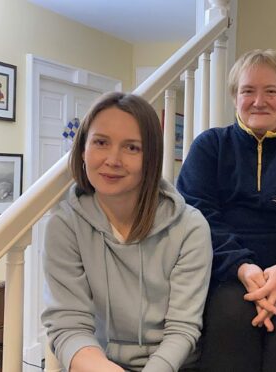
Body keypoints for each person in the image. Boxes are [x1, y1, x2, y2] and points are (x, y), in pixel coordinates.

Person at [177, 49, 276, 371]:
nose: (258, 101)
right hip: (226, 273)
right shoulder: (210, 146)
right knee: (230, 314)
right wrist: (242, 267)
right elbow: (198, 213)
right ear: (235, 97)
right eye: (247, 90)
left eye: (271, 91)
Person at [42, 92, 213, 372]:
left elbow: (182, 329)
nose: (112, 159)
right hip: (96, 364)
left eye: (132, 148)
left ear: (151, 158)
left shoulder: (190, 227)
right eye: (100, 142)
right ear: (83, 149)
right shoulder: (64, 225)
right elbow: (68, 325)